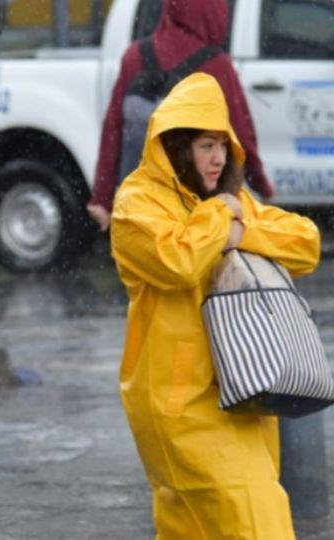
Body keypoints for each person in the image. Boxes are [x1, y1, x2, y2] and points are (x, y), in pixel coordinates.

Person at [111, 72, 320, 538]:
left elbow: (305, 244)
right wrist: (221, 215)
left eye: (223, 146)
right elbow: (177, 260)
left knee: (201, 526)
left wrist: (240, 229)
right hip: (180, 401)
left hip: (245, 387)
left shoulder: (227, 201)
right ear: (176, 144)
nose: (218, 157)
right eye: (206, 145)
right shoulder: (136, 203)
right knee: (256, 520)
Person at [88, 0, 274, 232]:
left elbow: (113, 130)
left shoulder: (134, 56)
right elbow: (242, 137)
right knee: (191, 263)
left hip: (141, 204)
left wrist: (102, 199)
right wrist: (261, 185)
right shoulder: (217, 65)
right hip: (198, 210)